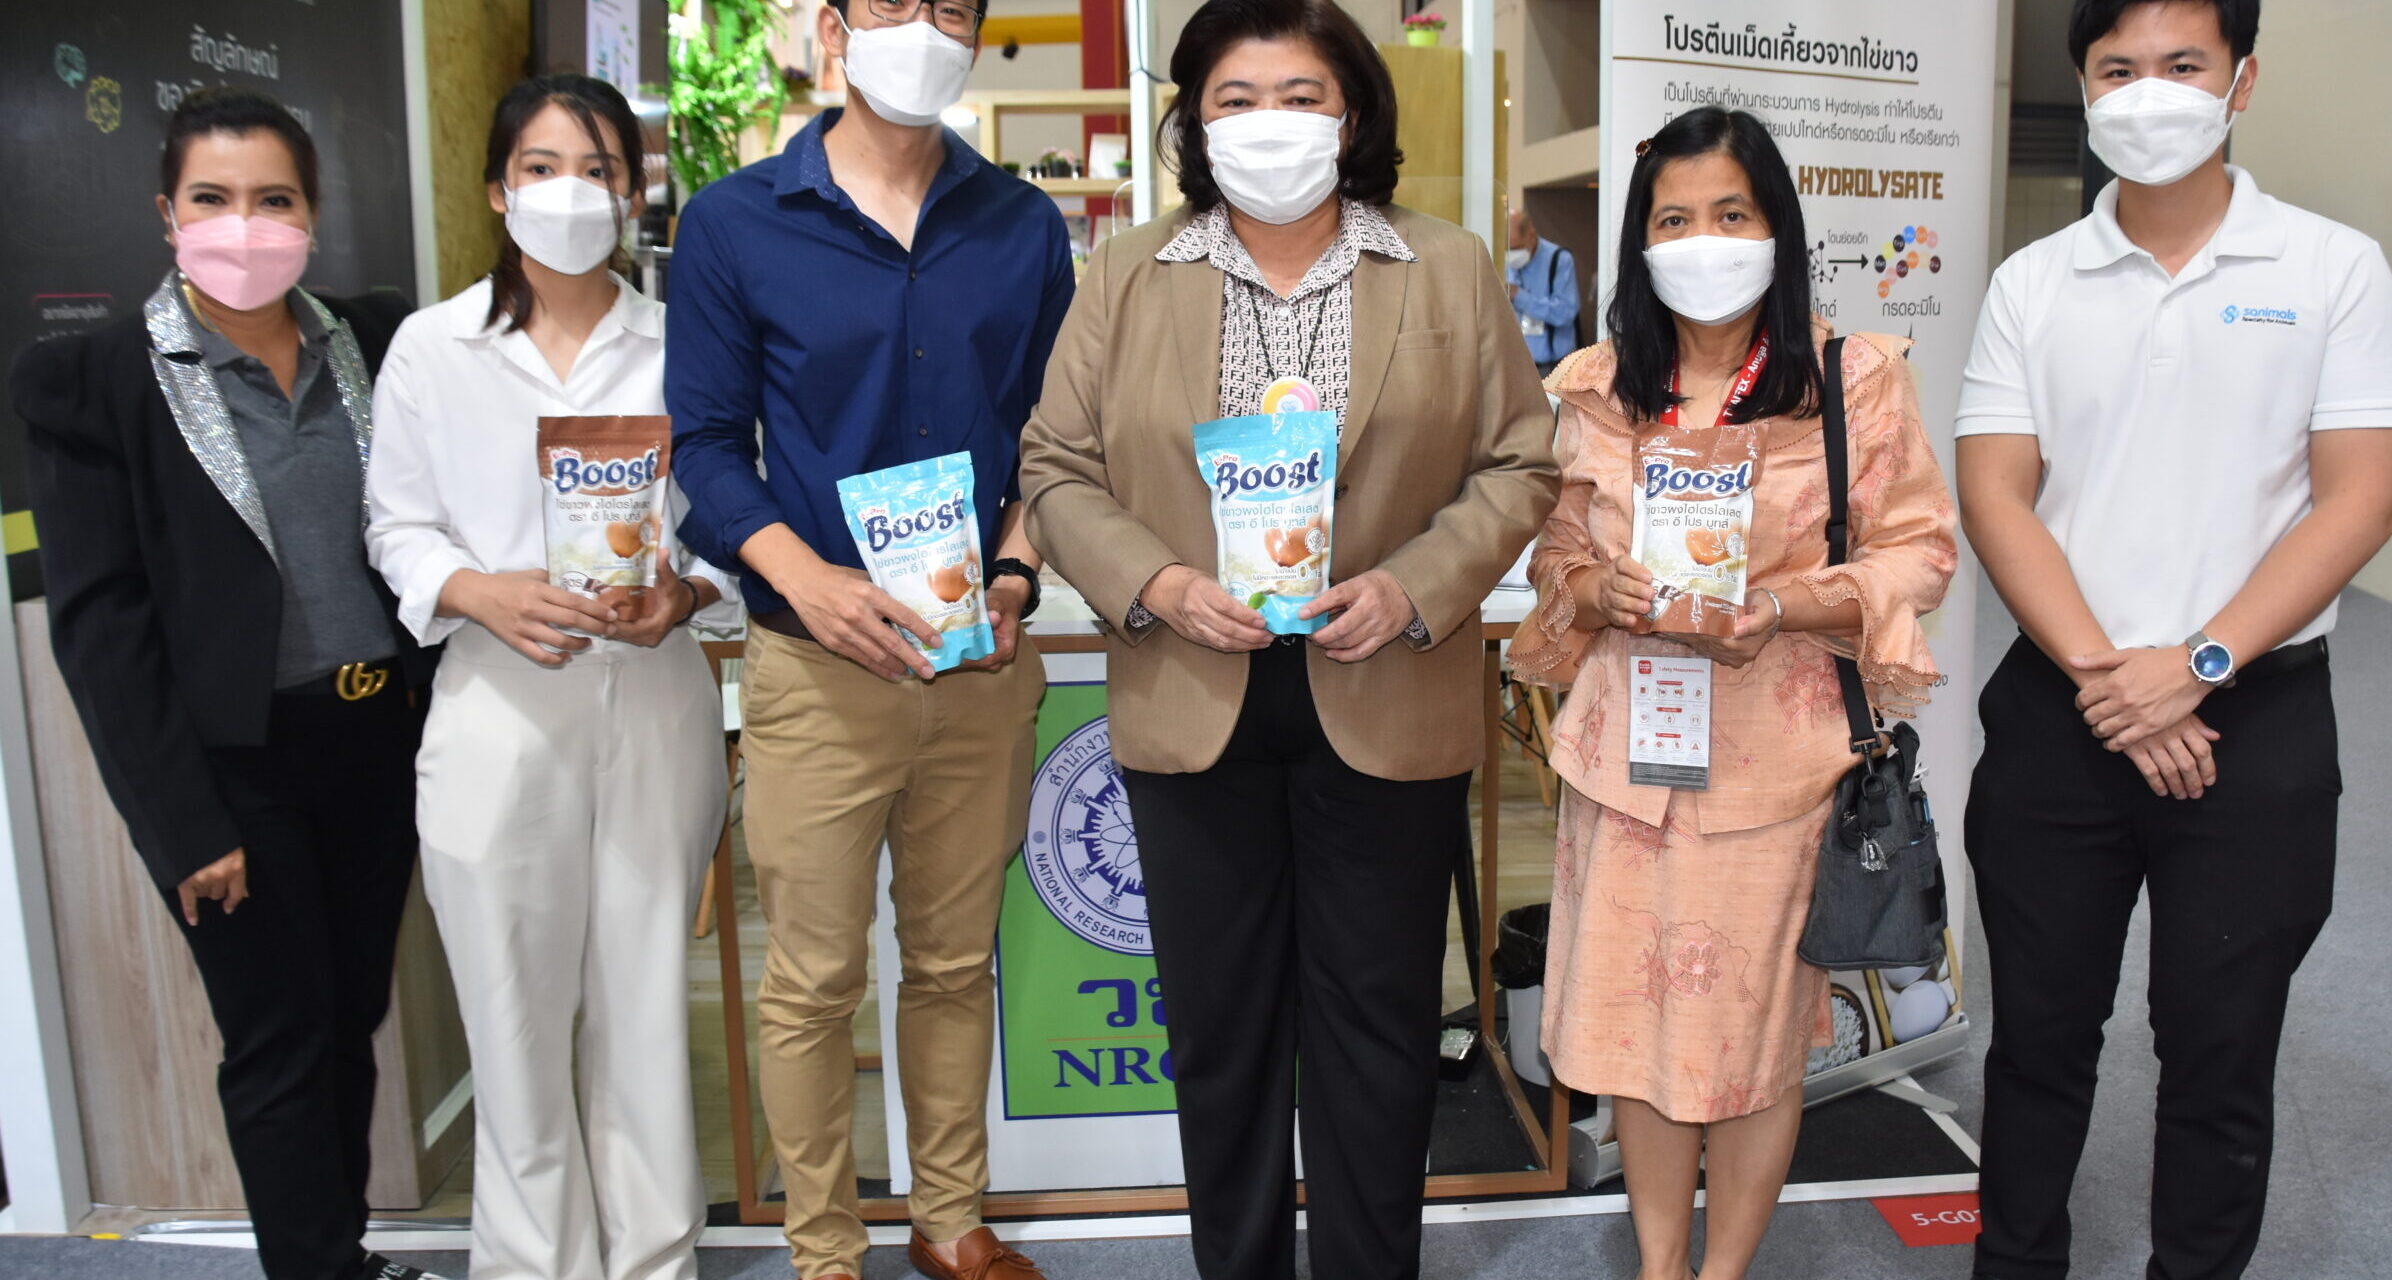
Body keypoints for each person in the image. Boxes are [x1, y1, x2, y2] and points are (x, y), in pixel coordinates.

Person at [1017, 2, 1558, 1276]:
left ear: (1352, 112)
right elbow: (1055, 464)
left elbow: (1522, 462)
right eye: (1236, 99)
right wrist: (1154, 579)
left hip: (1385, 684)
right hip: (1191, 691)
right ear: (1194, 123)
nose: (1271, 123)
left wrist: (1412, 585)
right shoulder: (1128, 273)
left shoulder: (1445, 264)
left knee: (1377, 1032)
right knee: (1221, 1035)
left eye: (1301, 95)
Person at [1956, 3, 2392, 1277]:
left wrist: (2197, 665)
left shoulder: (2332, 267)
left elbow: (2358, 501)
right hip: (2063, 709)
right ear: (2083, 87)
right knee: (2037, 1036)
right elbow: (1996, 494)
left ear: (2240, 81)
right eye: (2116, 69)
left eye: (2181, 65)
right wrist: (2114, 684)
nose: (2147, 93)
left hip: (2253, 716)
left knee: (2220, 1049)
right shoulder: (2032, 281)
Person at [1506, 106, 1957, 1280]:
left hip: (1776, 770)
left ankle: (1724, 1270)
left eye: (1729, 214)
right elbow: (1553, 549)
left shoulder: (1853, 379)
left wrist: (1786, 605)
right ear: (1639, 242)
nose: (1701, 240)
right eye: (1673, 220)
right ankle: (1662, 1265)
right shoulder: (1597, 385)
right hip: (1627, 765)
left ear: (1776, 230)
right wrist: (1594, 586)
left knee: (1750, 1043)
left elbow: (1921, 551)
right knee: (1642, 1039)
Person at [665, 0, 1074, 1276]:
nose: (925, 27)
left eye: (951, 8)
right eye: (895, 3)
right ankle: (824, 1250)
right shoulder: (734, 222)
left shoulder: (1021, 226)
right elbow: (706, 447)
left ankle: (949, 1221)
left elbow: (1053, 441)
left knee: (952, 963)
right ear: (838, 27)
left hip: (976, 663)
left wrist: (1014, 573)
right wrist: (810, 581)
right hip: (816, 663)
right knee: (812, 979)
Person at [8, 88, 440, 1280]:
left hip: (378, 741)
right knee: (277, 1033)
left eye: (273, 199)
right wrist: (181, 823)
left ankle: (340, 1255)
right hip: (234, 769)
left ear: (312, 212)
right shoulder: (95, 379)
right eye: (213, 198)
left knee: (349, 1015)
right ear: (167, 214)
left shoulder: (376, 342)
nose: (243, 225)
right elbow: (102, 625)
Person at [365, 74, 734, 1280]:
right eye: (540, 167)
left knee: (643, 1005)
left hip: (655, 699)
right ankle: (533, 1264)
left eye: (598, 169)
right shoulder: (433, 348)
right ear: (496, 189)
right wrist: (479, 589)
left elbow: (735, 517)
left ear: (632, 194)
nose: (570, 192)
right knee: (512, 1017)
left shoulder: (685, 344)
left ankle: (655, 1257)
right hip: (496, 705)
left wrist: (685, 592)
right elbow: (395, 525)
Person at [1506, 207, 1578, 377]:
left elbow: (1565, 313)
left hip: (1553, 367)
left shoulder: (1559, 260)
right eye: (1507, 249)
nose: (1511, 255)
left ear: (1531, 235)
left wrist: (1519, 296)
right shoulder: (1505, 263)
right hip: (1516, 365)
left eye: (1515, 248)